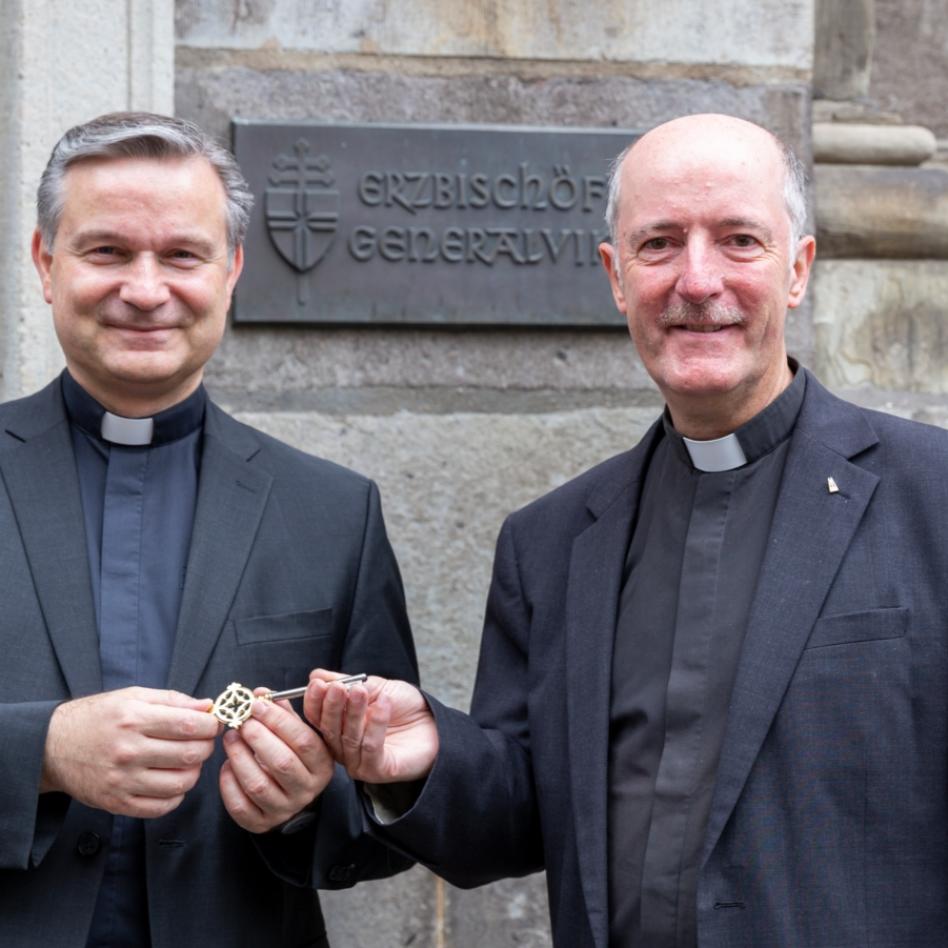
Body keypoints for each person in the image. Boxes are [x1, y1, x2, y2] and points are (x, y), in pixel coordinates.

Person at [305, 113, 948, 947]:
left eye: (739, 240)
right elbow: (523, 815)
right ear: (616, 276)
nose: (697, 279)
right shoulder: (551, 543)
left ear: (799, 269)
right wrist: (427, 757)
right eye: (659, 244)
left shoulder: (931, 496)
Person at [0, 112, 418, 947]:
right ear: (47, 264)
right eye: (108, 251)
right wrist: (38, 753)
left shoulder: (333, 512)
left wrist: (306, 806)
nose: (146, 290)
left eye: (182, 255)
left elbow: (388, 810)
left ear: (229, 271)